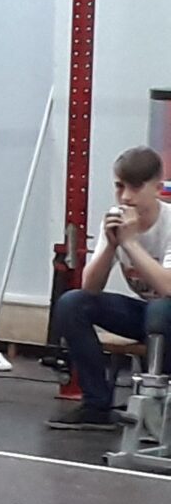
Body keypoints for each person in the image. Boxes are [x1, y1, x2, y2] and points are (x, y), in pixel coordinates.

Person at [47, 146, 171, 430]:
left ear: (157, 189)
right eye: (119, 186)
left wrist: (130, 243)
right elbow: (90, 287)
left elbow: (167, 287)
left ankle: (158, 403)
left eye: (135, 187)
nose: (125, 197)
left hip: (166, 313)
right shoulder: (117, 221)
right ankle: (97, 405)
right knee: (72, 303)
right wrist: (110, 245)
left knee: (160, 310)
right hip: (151, 316)